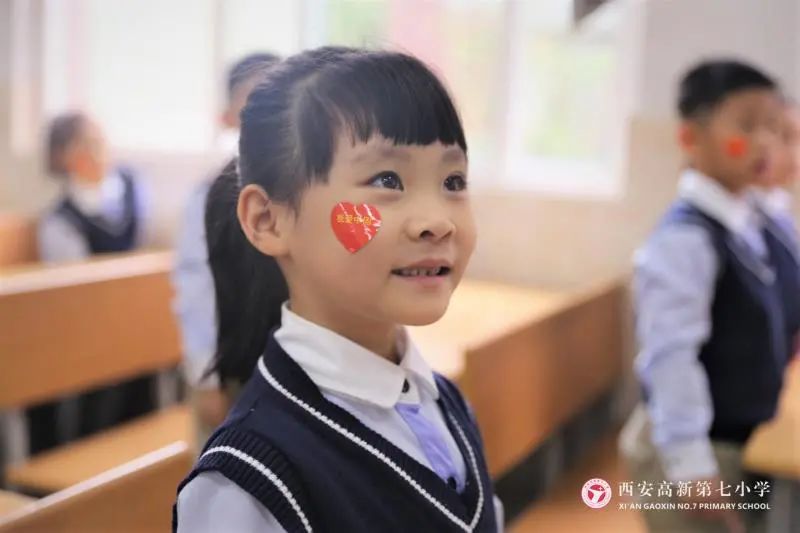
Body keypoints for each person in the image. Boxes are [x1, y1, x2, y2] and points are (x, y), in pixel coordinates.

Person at [174, 46, 504, 532]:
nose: (437, 221)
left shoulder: (446, 404)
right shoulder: (249, 481)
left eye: (453, 180)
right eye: (387, 179)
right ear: (267, 220)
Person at [620, 59, 799, 532]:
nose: (765, 142)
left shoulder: (755, 216)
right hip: (695, 450)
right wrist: (691, 467)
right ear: (690, 137)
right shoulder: (685, 240)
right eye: (747, 126)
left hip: (744, 438)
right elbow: (671, 357)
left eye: (773, 127)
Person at [172, 52, 281, 449]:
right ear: (228, 117)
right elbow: (195, 287)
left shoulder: (310, 186)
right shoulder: (212, 194)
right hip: (235, 368)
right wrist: (205, 377)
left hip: (295, 364)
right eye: (253, 98)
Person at [29, 112, 152, 454]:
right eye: (86, 145)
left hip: (134, 322)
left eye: (99, 142)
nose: (98, 153)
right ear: (64, 157)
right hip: (92, 332)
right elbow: (79, 291)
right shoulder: (59, 222)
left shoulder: (128, 188)